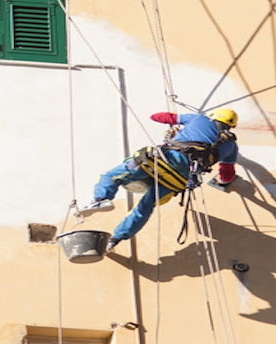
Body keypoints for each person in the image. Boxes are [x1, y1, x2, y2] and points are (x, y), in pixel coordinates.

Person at [78, 108, 240, 252]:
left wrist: (178, 123)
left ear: (213, 116)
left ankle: (101, 198)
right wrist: (221, 182)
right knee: (145, 207)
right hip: (181, 178)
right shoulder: (231, 146)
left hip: (166, 159)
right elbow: (226, 176)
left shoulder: (200, 119)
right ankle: (116, 239)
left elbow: (159, 117)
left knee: (111, 176)